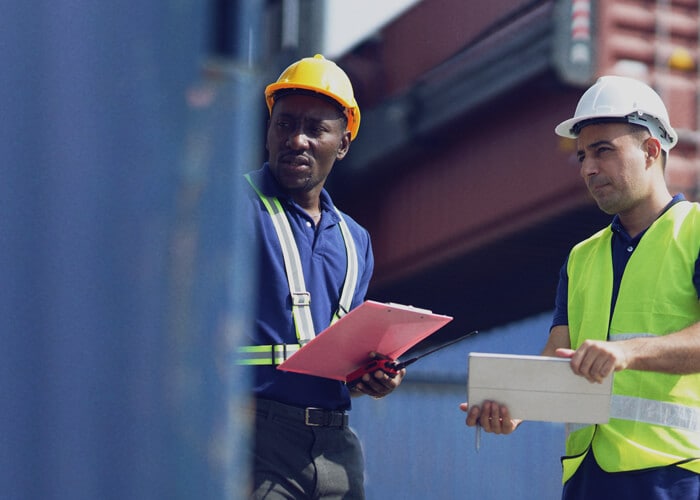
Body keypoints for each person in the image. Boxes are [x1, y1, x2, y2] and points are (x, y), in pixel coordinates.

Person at [461, 75, 700, 498]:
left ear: (650, 150)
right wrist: (517, 406)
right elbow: (559, 351)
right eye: (583, 155)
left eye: (604, 151)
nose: (589, 168)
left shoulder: (696, 231)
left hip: (675, 476)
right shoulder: (581, 257)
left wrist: (626, 353)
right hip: (586, 478)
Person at [237, 54, 405, 499]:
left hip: (337, 447)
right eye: (285, 124)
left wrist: (375, 374)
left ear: (343, 143)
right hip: (255, 441)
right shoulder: (232, 207)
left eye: (316, 129)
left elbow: (339, 350)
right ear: (269, 131)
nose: (297, 140)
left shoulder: (355, 240)